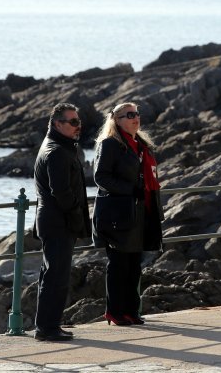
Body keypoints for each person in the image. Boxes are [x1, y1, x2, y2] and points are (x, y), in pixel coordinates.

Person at [93, 102, 164, 326]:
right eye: (129, 115)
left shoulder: (141, 144)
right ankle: (114, 311)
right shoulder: (110, 144)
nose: (135, 118)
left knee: (134, 264)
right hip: (119, 213)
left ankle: (131, 310)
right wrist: (130, 190)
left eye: (137, 114)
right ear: (117, 120)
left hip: (140, 211)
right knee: (119, 264)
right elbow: (101, 177)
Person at [33, 102, 91, 342]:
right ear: (58, 124)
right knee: (56, 275)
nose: (78, 126)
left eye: (79, 121)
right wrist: (77, 216)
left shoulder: (58, 146)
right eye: (73, 122)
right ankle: (47, 328)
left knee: (53, 274)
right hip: (58, 221)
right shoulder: (57, 151)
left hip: (55, 220)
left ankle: (49, 325)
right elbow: (62, 192)